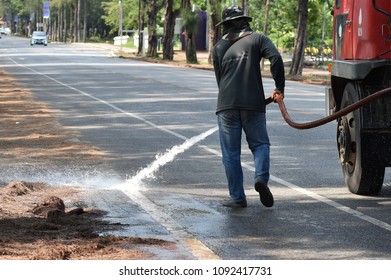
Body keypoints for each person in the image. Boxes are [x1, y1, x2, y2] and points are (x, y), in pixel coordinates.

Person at [212, 6, 285, 208]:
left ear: (226, 25)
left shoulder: (218, 47)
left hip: (226, 105)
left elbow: (220, 80)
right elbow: (276, 58)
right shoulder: (259, 39)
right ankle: (260, 178)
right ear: (244, 22)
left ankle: (237, 198)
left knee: (230, 154)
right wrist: (279, 88)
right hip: (253, 104)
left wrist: (229, 98)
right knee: (260, 145)